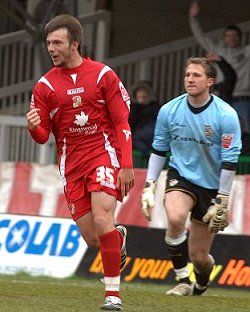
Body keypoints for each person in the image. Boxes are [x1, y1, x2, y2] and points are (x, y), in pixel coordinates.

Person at [26, 14, 134, 311]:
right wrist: (34, 126)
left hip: (103, 155)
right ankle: (117, 236)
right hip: (70, 164)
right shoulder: (45, 85)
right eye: (48, 43)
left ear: (75, 43)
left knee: (102, 219)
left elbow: (122, 121)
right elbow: (43, 136)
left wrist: (125, 164)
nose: (51, 48)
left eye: (57, 42)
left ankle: (112, 295)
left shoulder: (103, 75)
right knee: (93, 238)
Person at [141, 57, 241, 296]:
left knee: (200, 257)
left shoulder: (226, 115)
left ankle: (201, 283)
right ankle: (182, 280)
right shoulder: (169, 110)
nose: (190, 79)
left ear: (210, 82)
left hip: (212, 187)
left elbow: (230, 159)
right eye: (187, 75)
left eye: (196, 75)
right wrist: (150, 184)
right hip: (181, 176)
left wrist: (223, 199)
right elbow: (159, 148)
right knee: (175, 218)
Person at [189, 0, 250, 131]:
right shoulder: (219, 51)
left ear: (240, 37)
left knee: (245, 132)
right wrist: (193, 18)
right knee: (214, 130)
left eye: (235, 35)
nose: (232, 38)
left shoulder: (247, 52)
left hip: (243, 99)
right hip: (222, 97)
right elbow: (201, 37)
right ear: (224, 38)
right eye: (229, 35)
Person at [129, 80, 160, 165]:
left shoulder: (156, 110)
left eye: (145, 92)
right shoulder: (129, 109)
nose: (142, 95)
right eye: (140, 91)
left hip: (147, 150)